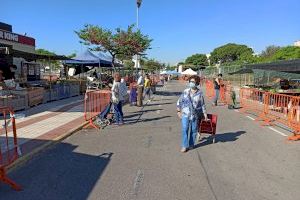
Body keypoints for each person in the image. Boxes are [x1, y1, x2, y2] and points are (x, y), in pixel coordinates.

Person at [177, 75, 208, 153]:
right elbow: (179, 101)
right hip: (185, 113)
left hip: (195, 115)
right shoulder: (185, 91)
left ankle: (191, 144)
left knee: (194, 130)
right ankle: (184, 146)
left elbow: (202, 104)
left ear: (197, 83)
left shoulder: (200, 93)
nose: (191, 83)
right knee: (185, 129)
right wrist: (178, 111)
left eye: (193, 82)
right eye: (190, 81)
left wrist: (205, 114)